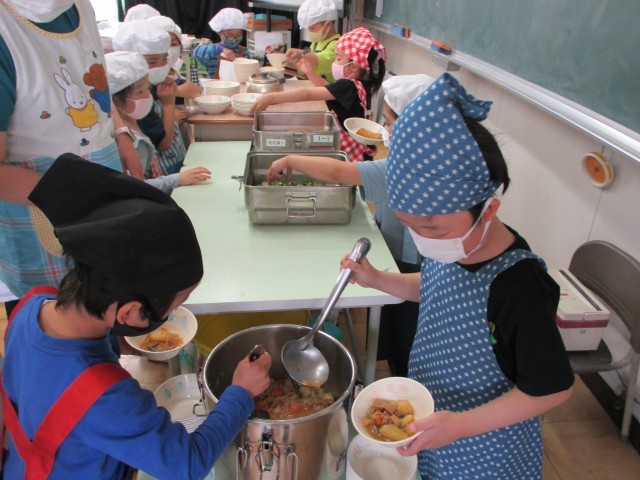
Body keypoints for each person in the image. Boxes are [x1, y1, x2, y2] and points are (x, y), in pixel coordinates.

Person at [342, 73, 574, 479]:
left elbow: (553, 388)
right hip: (436, 432)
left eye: (433, 230)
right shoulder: (454, 245)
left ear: (488, 210)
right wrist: (378, 279)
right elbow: (435, 289)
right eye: (411, 227)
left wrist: (463, 425)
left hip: (487, 454)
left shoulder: (519, 288)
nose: (424, 241)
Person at [0, 155, 272, 479]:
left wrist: (115, 343)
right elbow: (188, 465)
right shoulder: (107, 399)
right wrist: (240, 392)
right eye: (174, 305)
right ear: (128, 312)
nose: (171, 315)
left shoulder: (32, 305)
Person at [266, 74, 434, 376]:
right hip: (402, 253)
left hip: (410, 262)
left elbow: (338, 172)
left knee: (405, 325)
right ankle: (395, 364)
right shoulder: (427, 157)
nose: (386, 131)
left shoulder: (403, 168)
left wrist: (290, 159)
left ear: (412, 127)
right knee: (397, 317)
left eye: (389, 123)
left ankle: (402, 373)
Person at [0, 0, 143, 316]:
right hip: (42, 210)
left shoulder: (79, 7)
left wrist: (119, 132)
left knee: (104, 303)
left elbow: (91, 84)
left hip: (97, 199)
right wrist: (81, 194)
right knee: (55, 319)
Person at [252, 27, 386, 163]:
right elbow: (328, 89)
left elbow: (307, 94)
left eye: (338, 58)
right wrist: (309, 71)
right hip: (360, 153)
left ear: (354, 66)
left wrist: (270, 97)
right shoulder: (362, 84)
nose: (334, 63)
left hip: (350, 157)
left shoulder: (347, 86)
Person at [106, 51, 211, 193]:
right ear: (114, 100)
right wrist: (177, 179)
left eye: (148, 89)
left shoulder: (132, 125)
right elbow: (136, 187)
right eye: (140, 92)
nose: (148, 96)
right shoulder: (132, 142)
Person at [113, 20, 187, 175]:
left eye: (165, 59)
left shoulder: (151, 86)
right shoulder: (135, 102)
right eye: (152, 61)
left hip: (177, 162)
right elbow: (163, 144)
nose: (161, 66)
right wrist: (168, 104)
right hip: (165, 171)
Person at [286, 0, 340, 84]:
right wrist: (294, 61)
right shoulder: (316, 43)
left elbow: (324, 59)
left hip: (331, 89)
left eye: (313, 28)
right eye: (308, 28)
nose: (310, 32)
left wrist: (303, 55)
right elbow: (305, 68)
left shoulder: (338, 45)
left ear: (328, 25)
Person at [193, 8, 249, 79]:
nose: (234, 39)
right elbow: (196, 52)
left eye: (238, 36)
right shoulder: (212, 52)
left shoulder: (244, 52)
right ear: (219, 33)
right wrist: (221, 49)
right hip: (217, 85)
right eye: (230, 35)